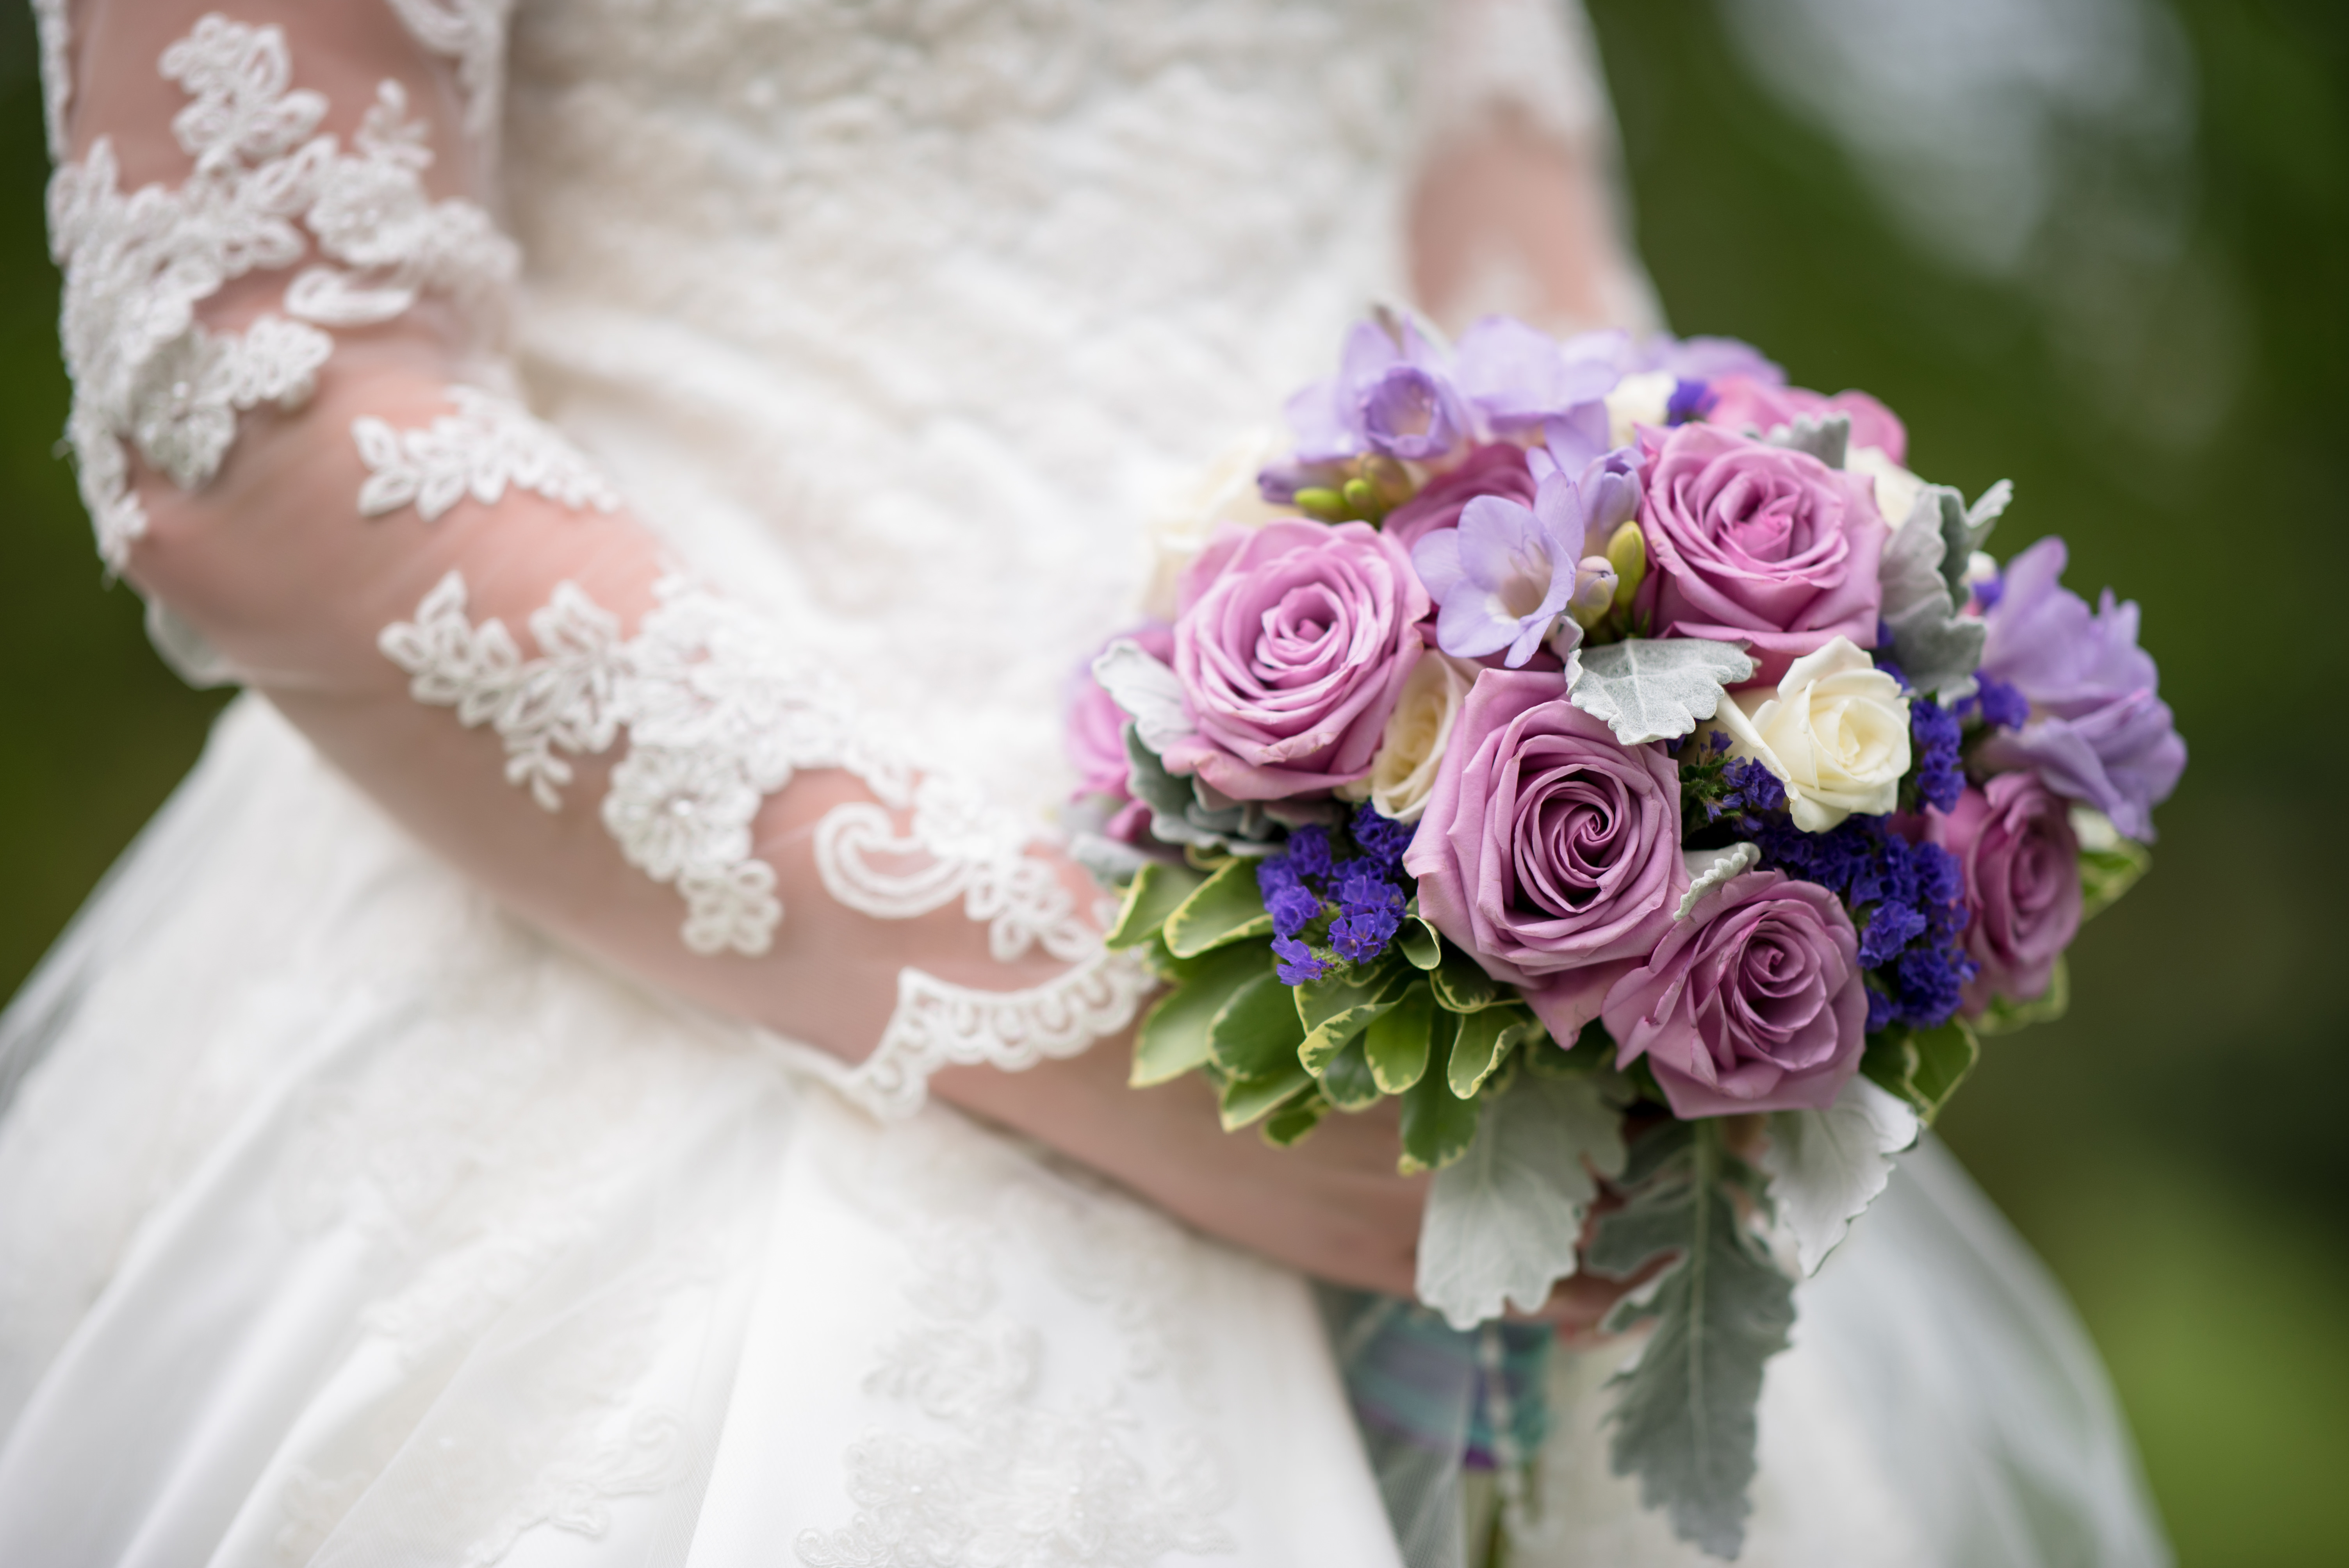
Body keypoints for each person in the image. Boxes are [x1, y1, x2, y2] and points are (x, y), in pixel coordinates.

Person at [0, 2, 2169, 1564]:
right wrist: (1095, 1016)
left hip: (1423, 949)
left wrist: (1690, 778)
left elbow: (1539, 297)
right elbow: (257, 419)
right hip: (665, 951)